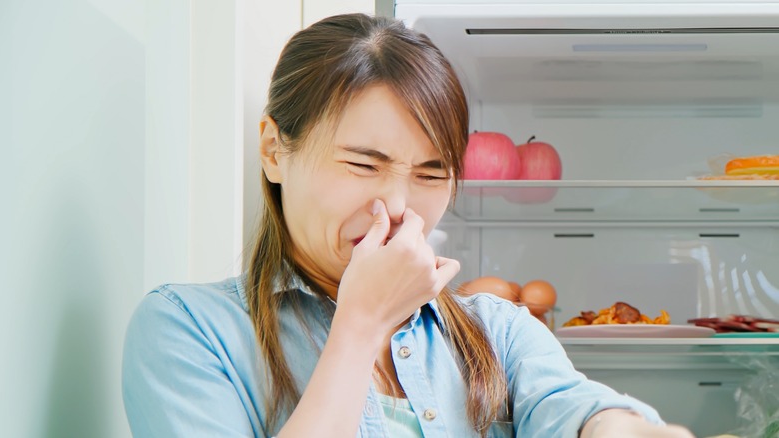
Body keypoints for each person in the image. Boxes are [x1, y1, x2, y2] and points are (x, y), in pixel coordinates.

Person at [122, 13, 696, 438]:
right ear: (274, 150)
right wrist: (360, 323)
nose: (396, 207)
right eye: (363, 164)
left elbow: (577, 408)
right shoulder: (189, 331)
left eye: (430, 172)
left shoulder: (496, 330)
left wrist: (628, 428)